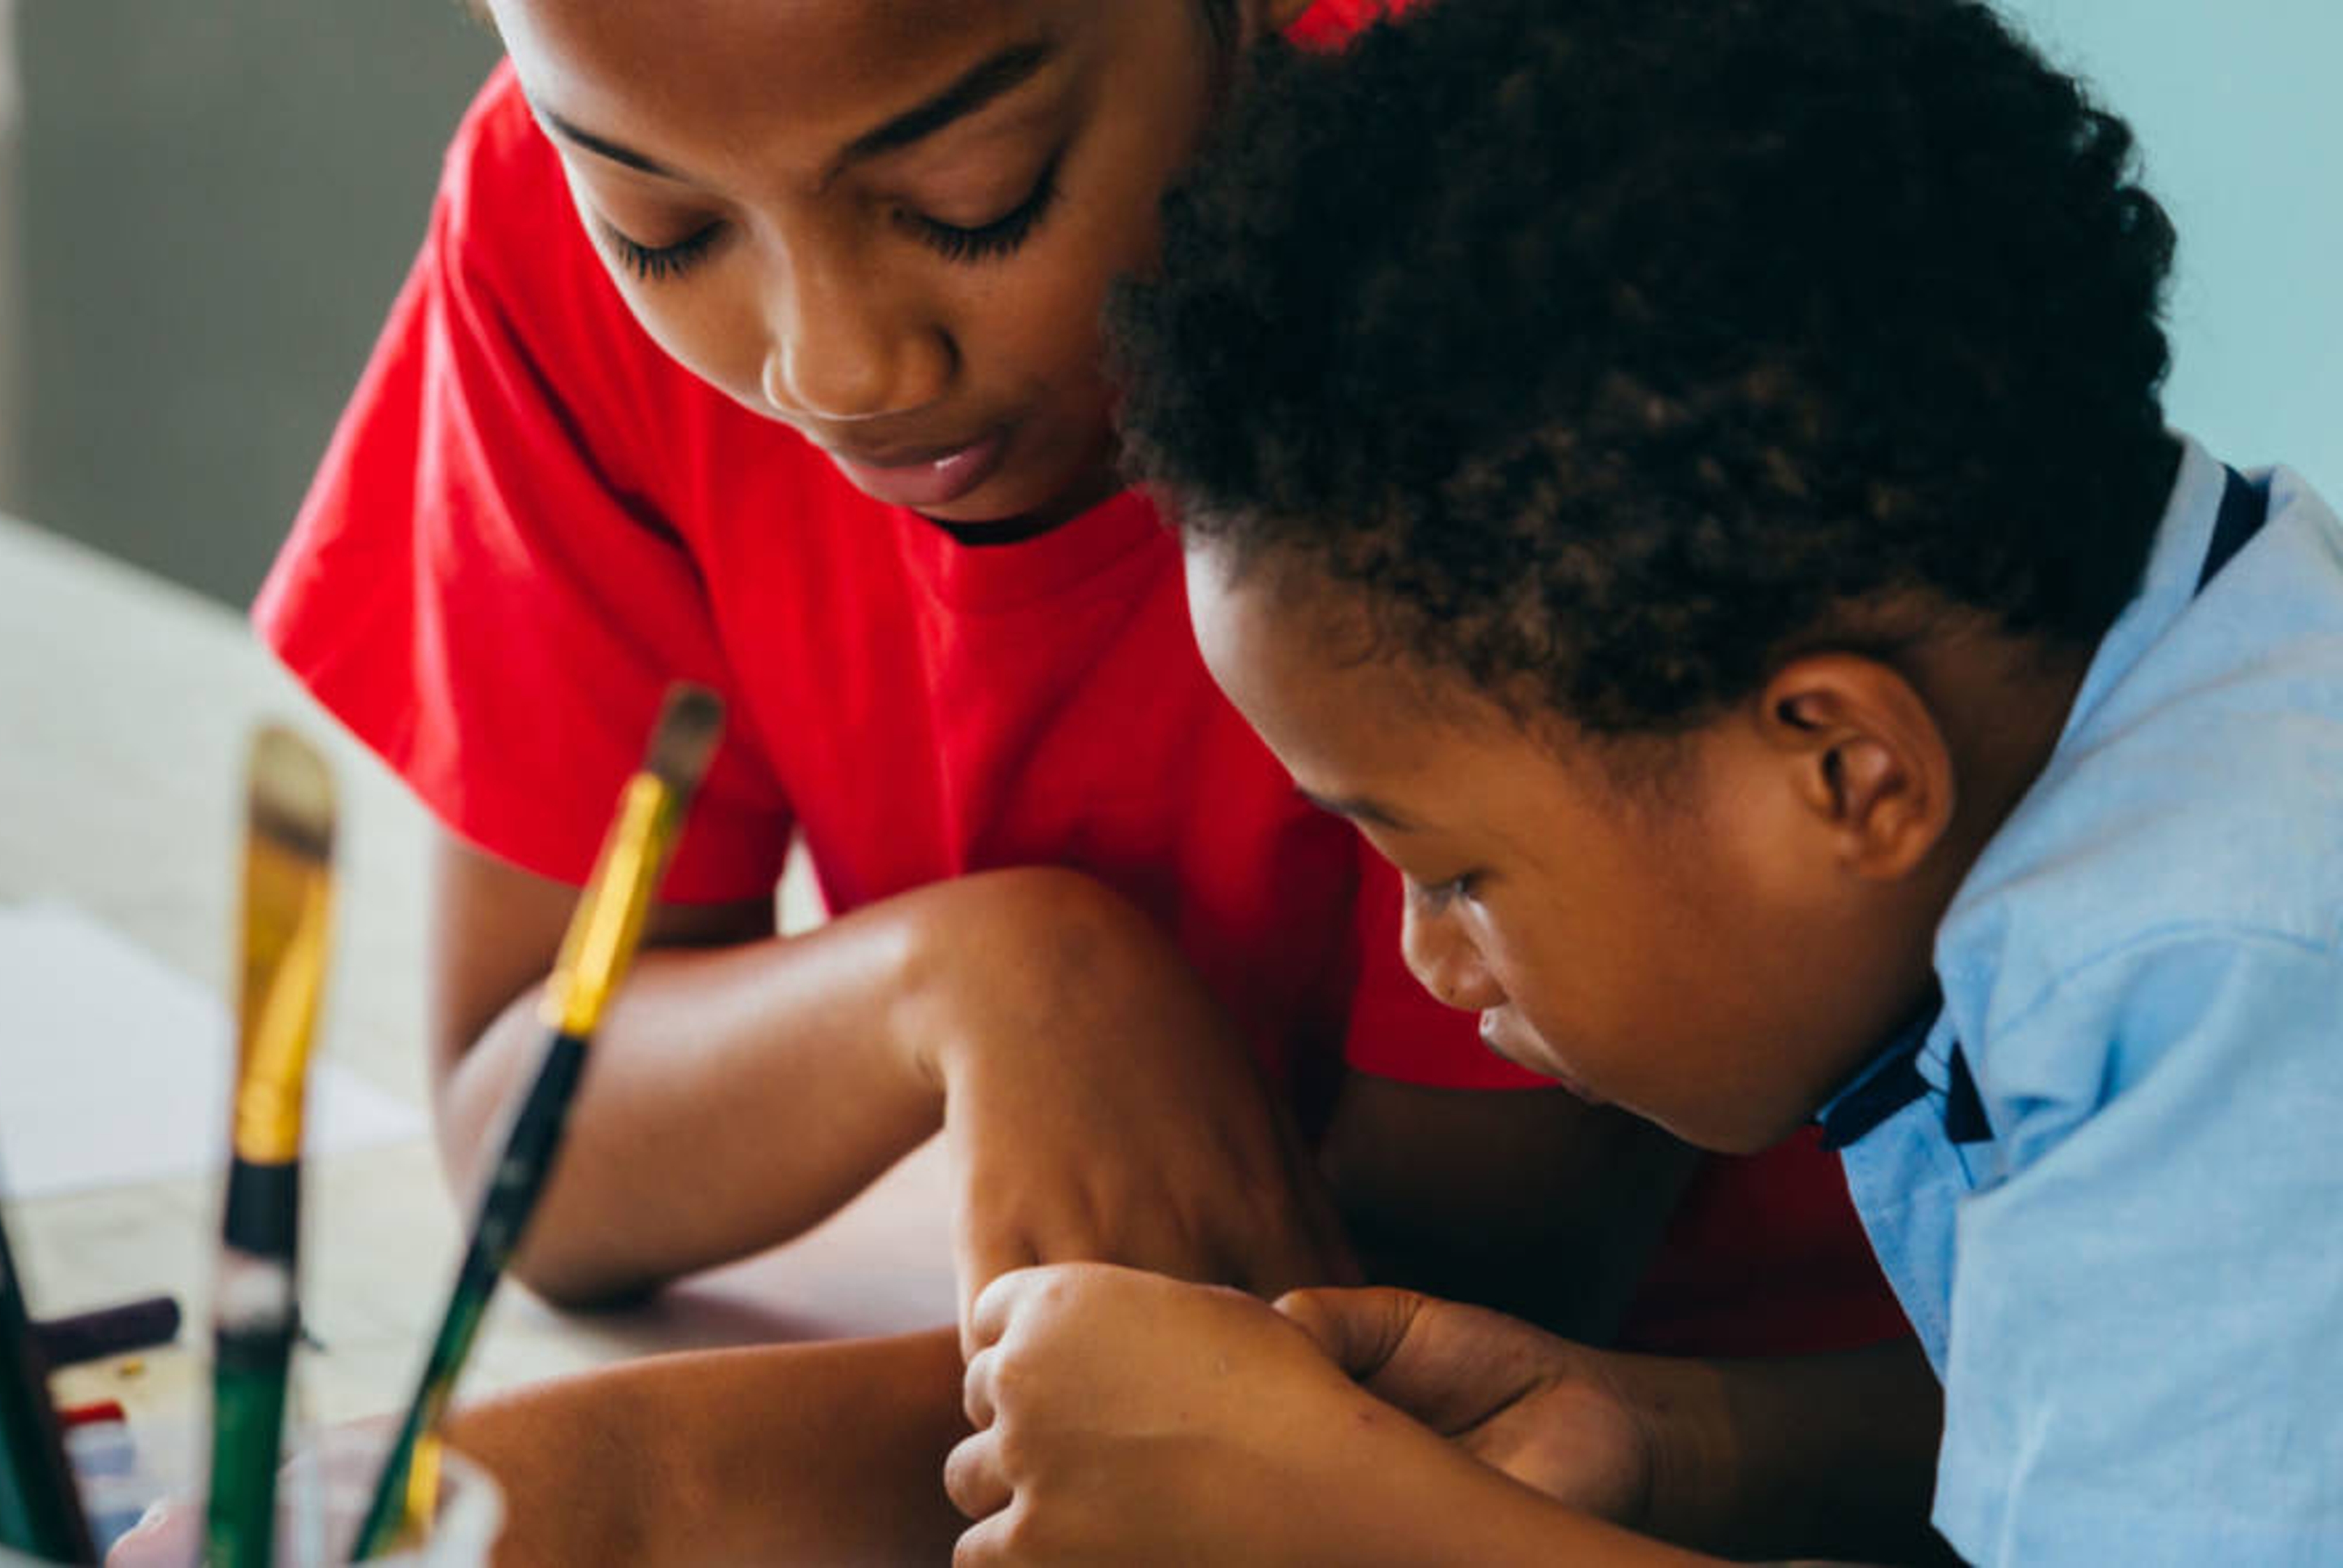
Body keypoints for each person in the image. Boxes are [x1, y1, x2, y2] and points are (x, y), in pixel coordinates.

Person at [255, 0, 1926, 1557]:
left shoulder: (1507, 196)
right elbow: (527, 1137)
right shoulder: (585, 183)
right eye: (662, 232)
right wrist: (981, 976)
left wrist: (592, 1497)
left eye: (973, 196)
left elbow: (1358, 1370)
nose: (840, 368)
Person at [950, 0, 2343, 1561]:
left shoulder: (2220, 974)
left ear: (1845, 773)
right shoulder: (2211, 660)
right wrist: (1675, 1450)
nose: (1427, 955)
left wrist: (1370, 1527)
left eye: (1456, 871)